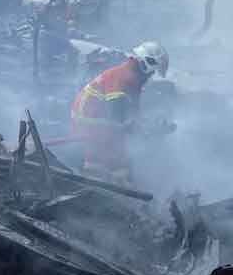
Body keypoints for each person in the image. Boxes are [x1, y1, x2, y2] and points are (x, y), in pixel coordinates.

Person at [70, 41, 169, 183]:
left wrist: (147, 124)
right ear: (148, 63)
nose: (152, 74)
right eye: (153, 70)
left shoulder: (133, 77)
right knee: (107, 149)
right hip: (89, 117)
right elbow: (117, 113)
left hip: (99, 115)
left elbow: (131, 111)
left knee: (119, 151)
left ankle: (114, 178)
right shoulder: (124, 76)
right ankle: (96, 178)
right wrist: (136, 128)